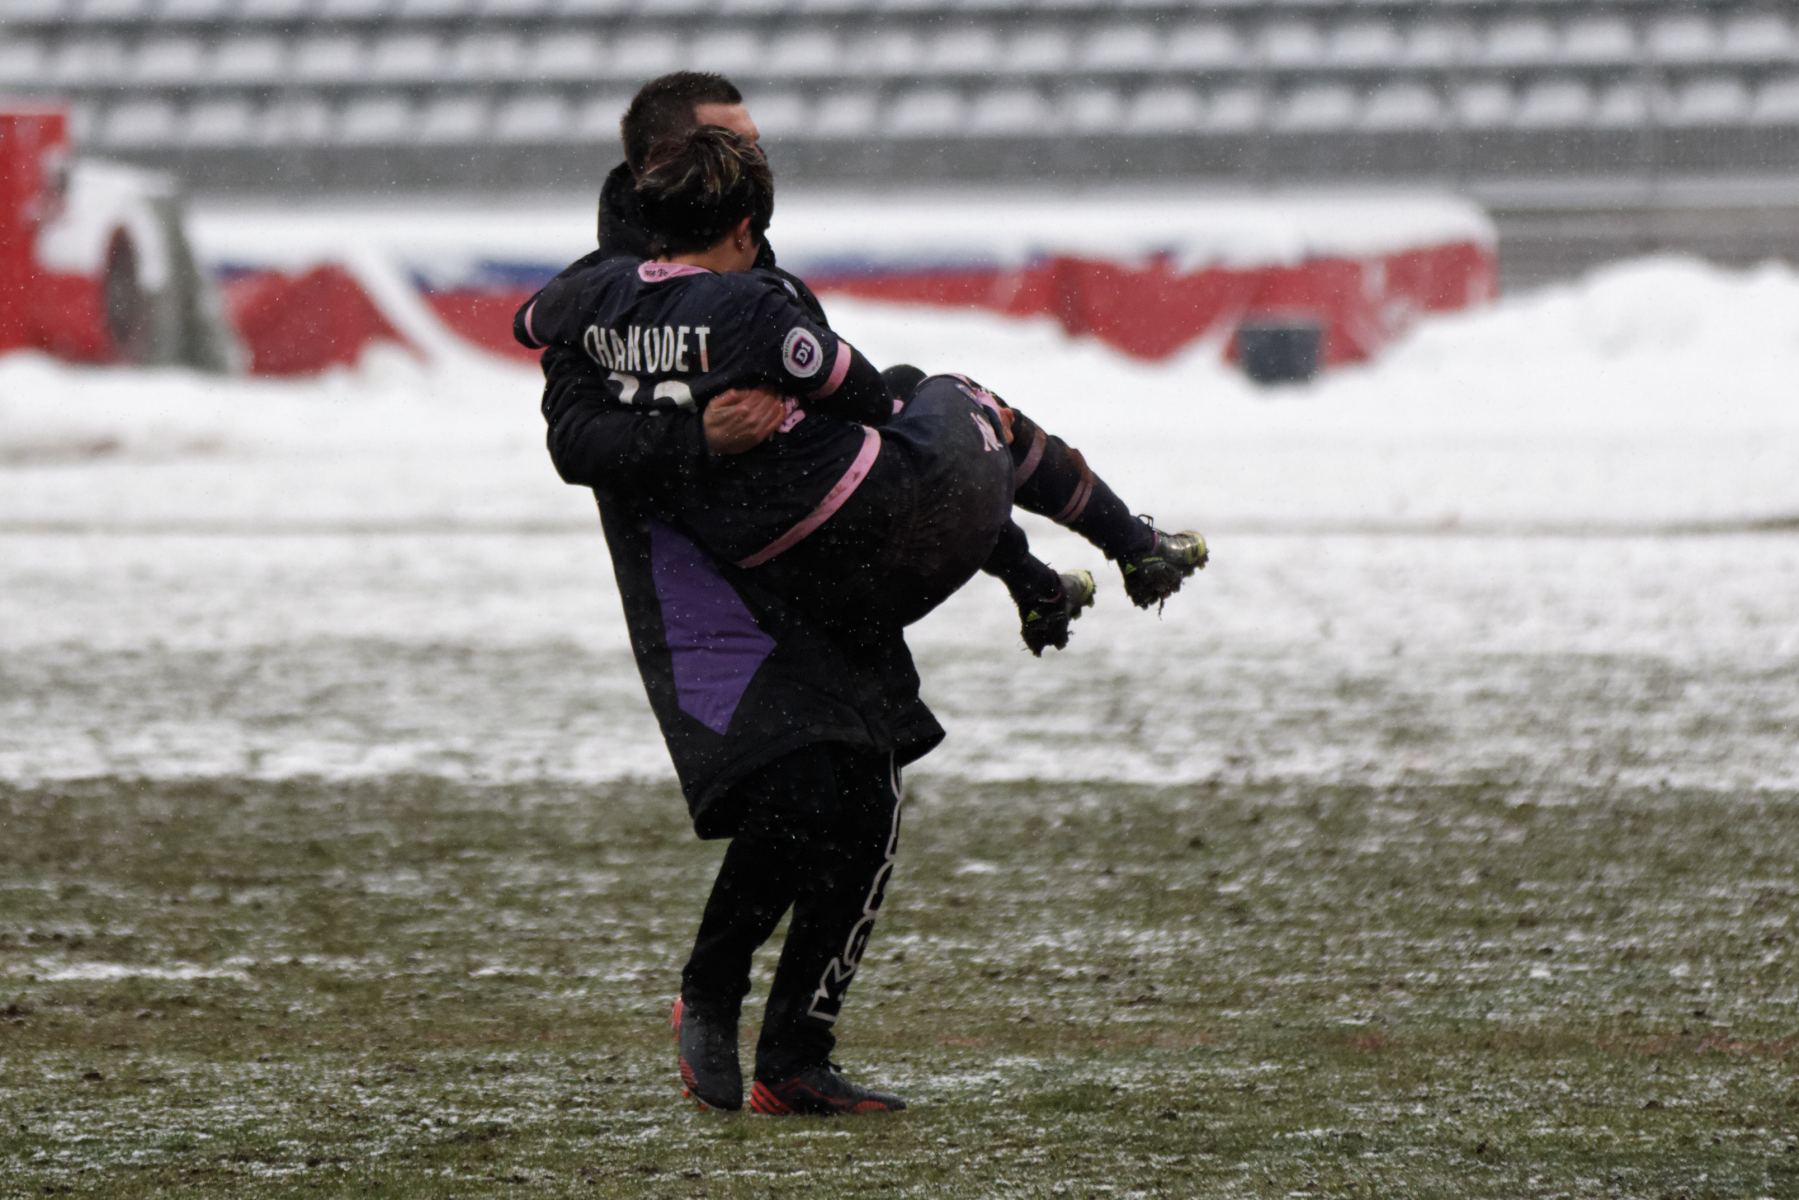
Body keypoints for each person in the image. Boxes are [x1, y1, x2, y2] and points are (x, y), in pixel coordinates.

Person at [518, 126, 1206, 1116]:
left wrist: (1009, 564)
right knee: (795, 795)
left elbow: (871, 447)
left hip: (819, 569)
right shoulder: (695, 302)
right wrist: (696, 431)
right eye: (731, 131)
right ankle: (710, 995)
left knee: (861, 798)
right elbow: (582, 441)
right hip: (717, 597)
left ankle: (795, 1058)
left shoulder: (623, 305)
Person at [593, 71, 1208, 652]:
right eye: (734, 144)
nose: (758, 160)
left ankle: (1049, 577)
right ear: (670, 160)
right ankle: (1119, 549)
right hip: (792, 555)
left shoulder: (666, 269)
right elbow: (576, 437)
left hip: (774, 540)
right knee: (955, 407)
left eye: (757, 144)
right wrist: (702, 435)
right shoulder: (645, 289)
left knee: (908, 393)